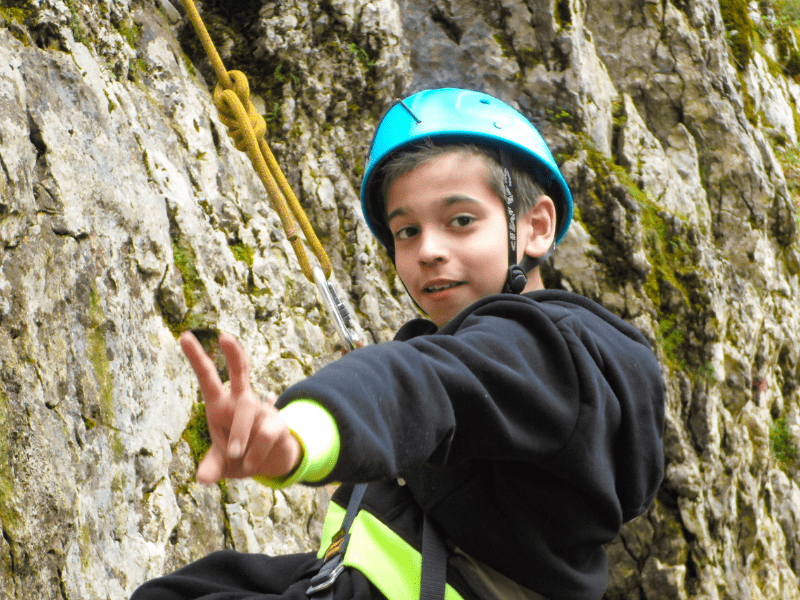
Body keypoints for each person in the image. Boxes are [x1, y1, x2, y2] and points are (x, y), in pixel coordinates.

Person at [131, 88, 665, 600]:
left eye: (460, 221)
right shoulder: (476, 352)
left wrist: (299, 437)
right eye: (406, 231)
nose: (428, 250)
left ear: (536, 226)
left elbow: (427, 383)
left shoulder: (547, 353)